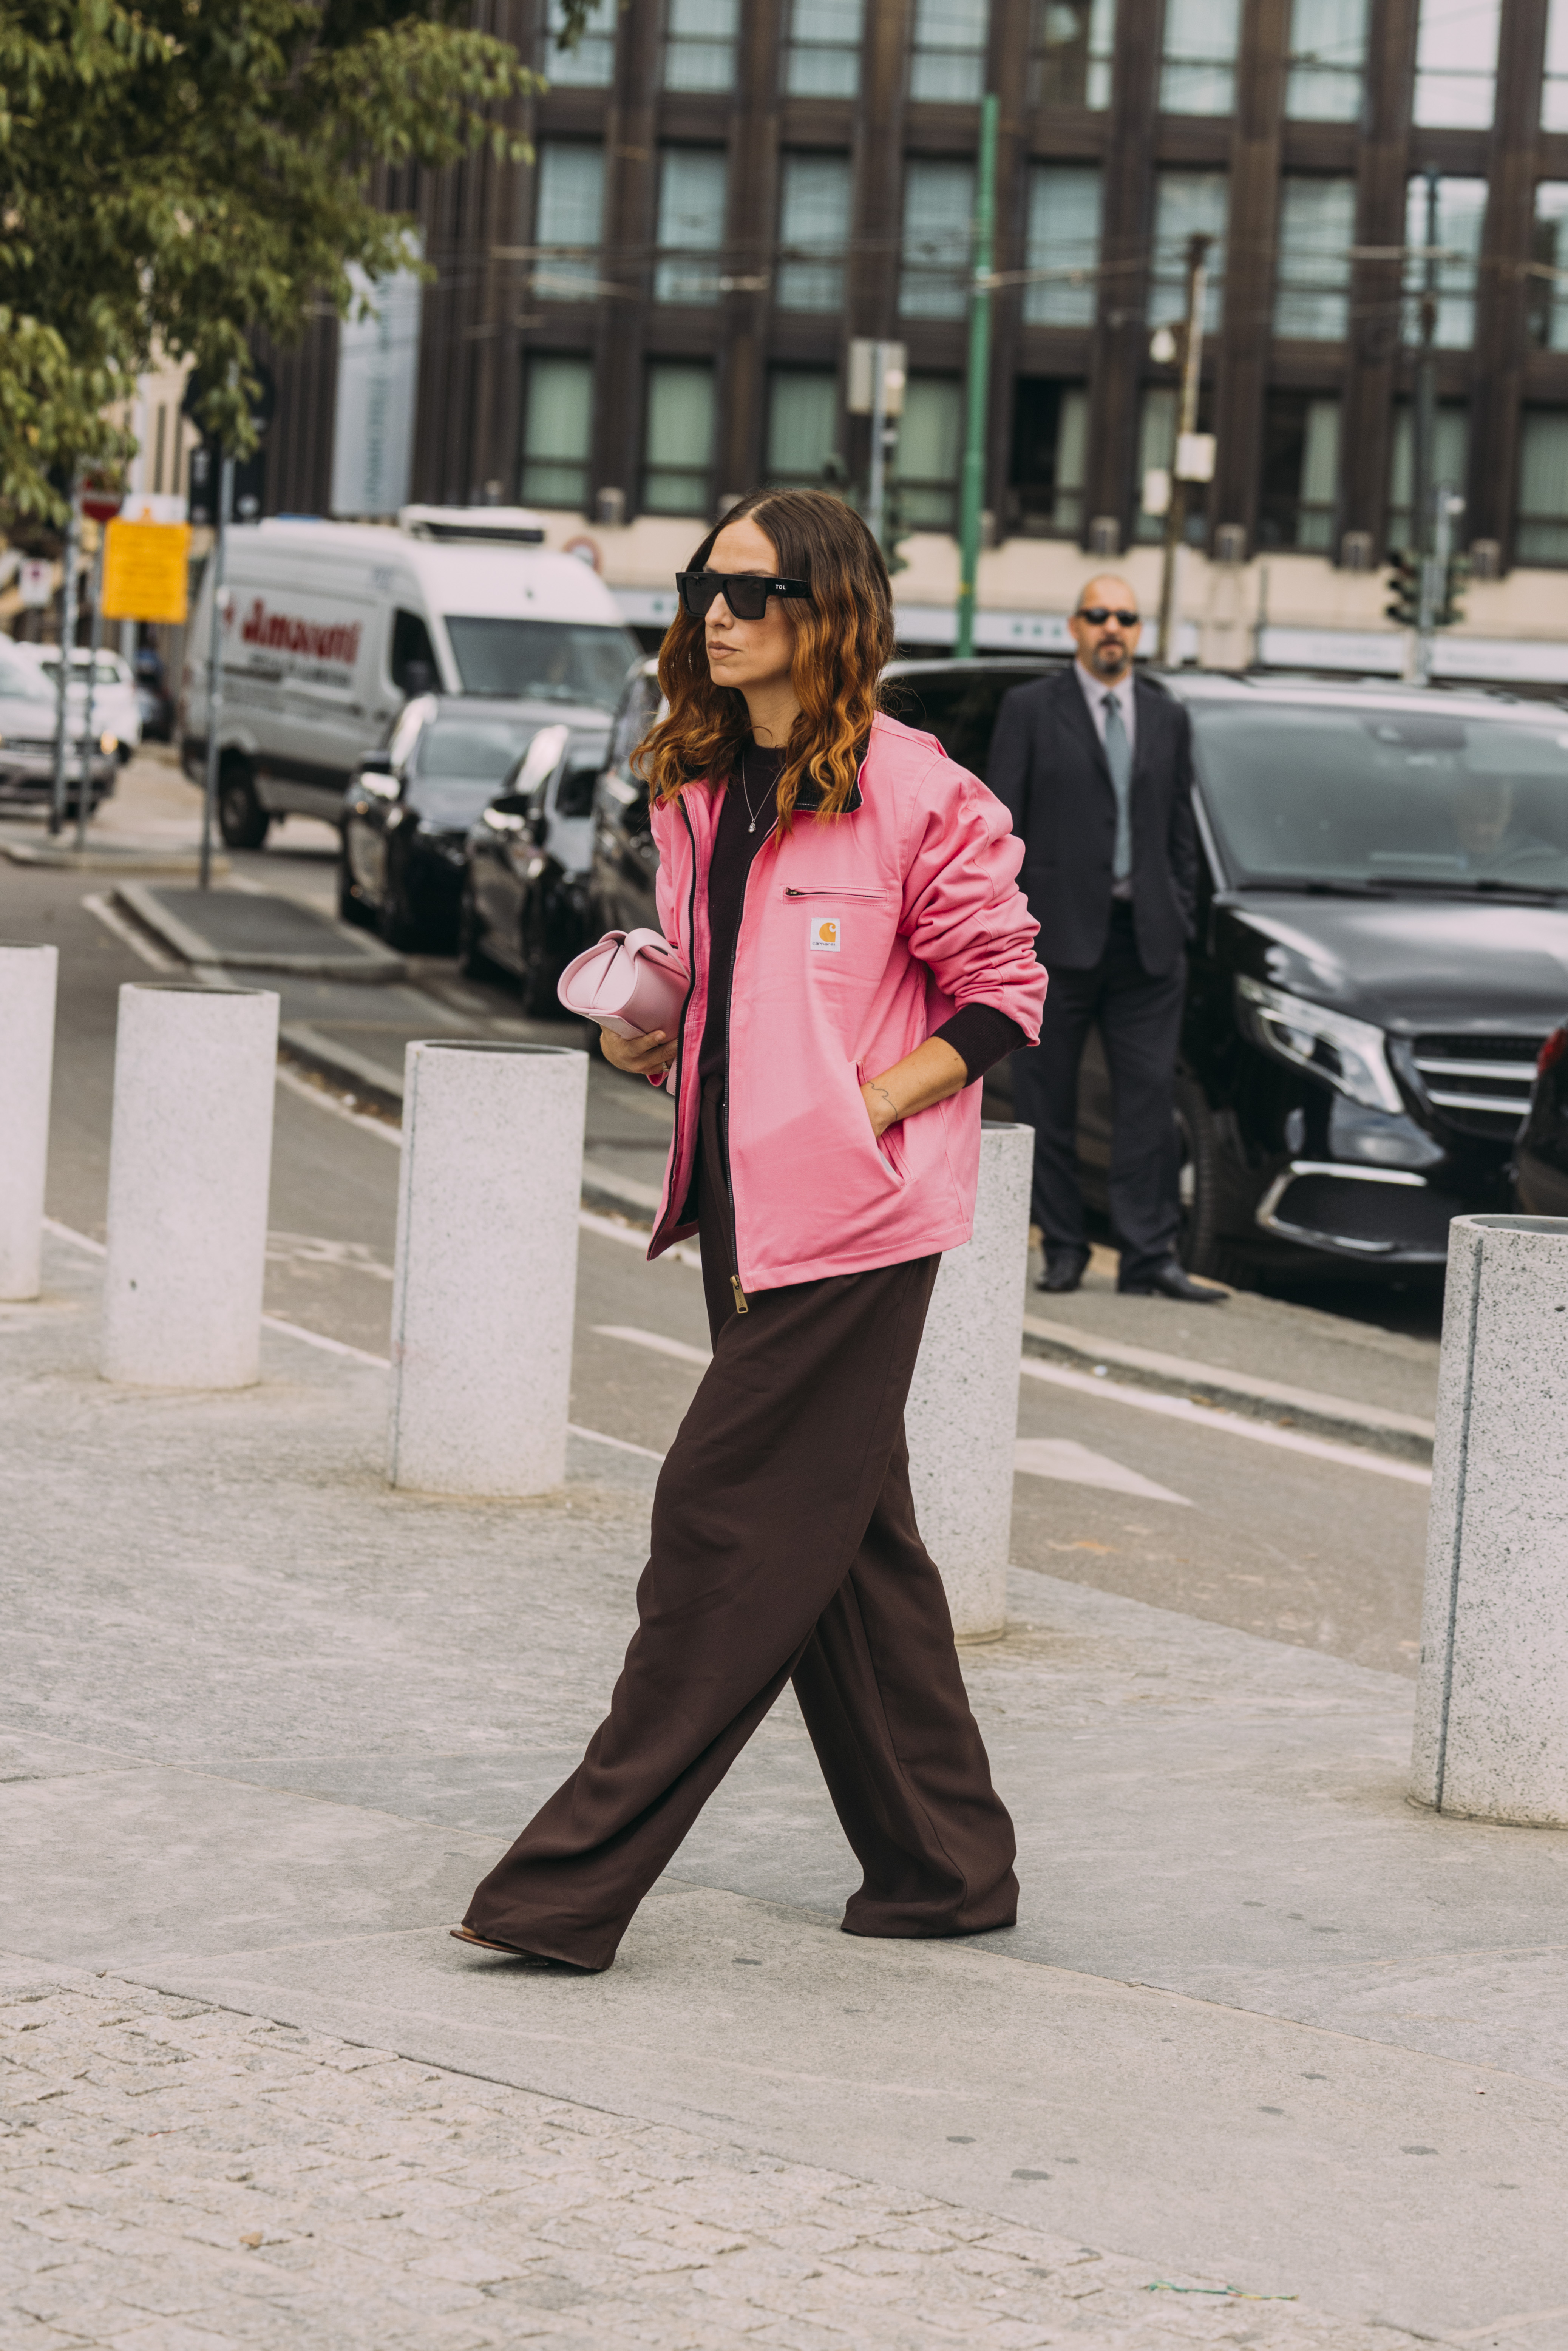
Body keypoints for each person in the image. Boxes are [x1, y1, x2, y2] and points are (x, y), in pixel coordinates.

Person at [453, 487, 1047, 1974]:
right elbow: (733, 981)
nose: (712, 613)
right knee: (852, 1544)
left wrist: (869, 1105)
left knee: (722, 1519)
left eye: (748, 589)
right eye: (701, 585)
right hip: (736, 1208)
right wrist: (657, 1032)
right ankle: (944, 1860)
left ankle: (563, 1888)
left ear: (824, 608)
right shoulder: (700, 783)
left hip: (854, 1218)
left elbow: (1002, 994)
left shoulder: (919, 790)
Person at [986, 576, 1222, 1304]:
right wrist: (1010, 926)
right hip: (1055, 940)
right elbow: (1001, 828)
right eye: (1099, 616)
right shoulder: (1031, 710)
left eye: (1125, 617)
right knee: (1047, 1099)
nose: (1112, 627)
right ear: (1075, 627)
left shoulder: (1167, 715)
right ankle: (1064, 1249)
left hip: (1147, 942)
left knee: (1147, 1104)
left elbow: (1179, 828)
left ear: (1138, 631)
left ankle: (1149, 1257)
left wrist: (1178, 910)